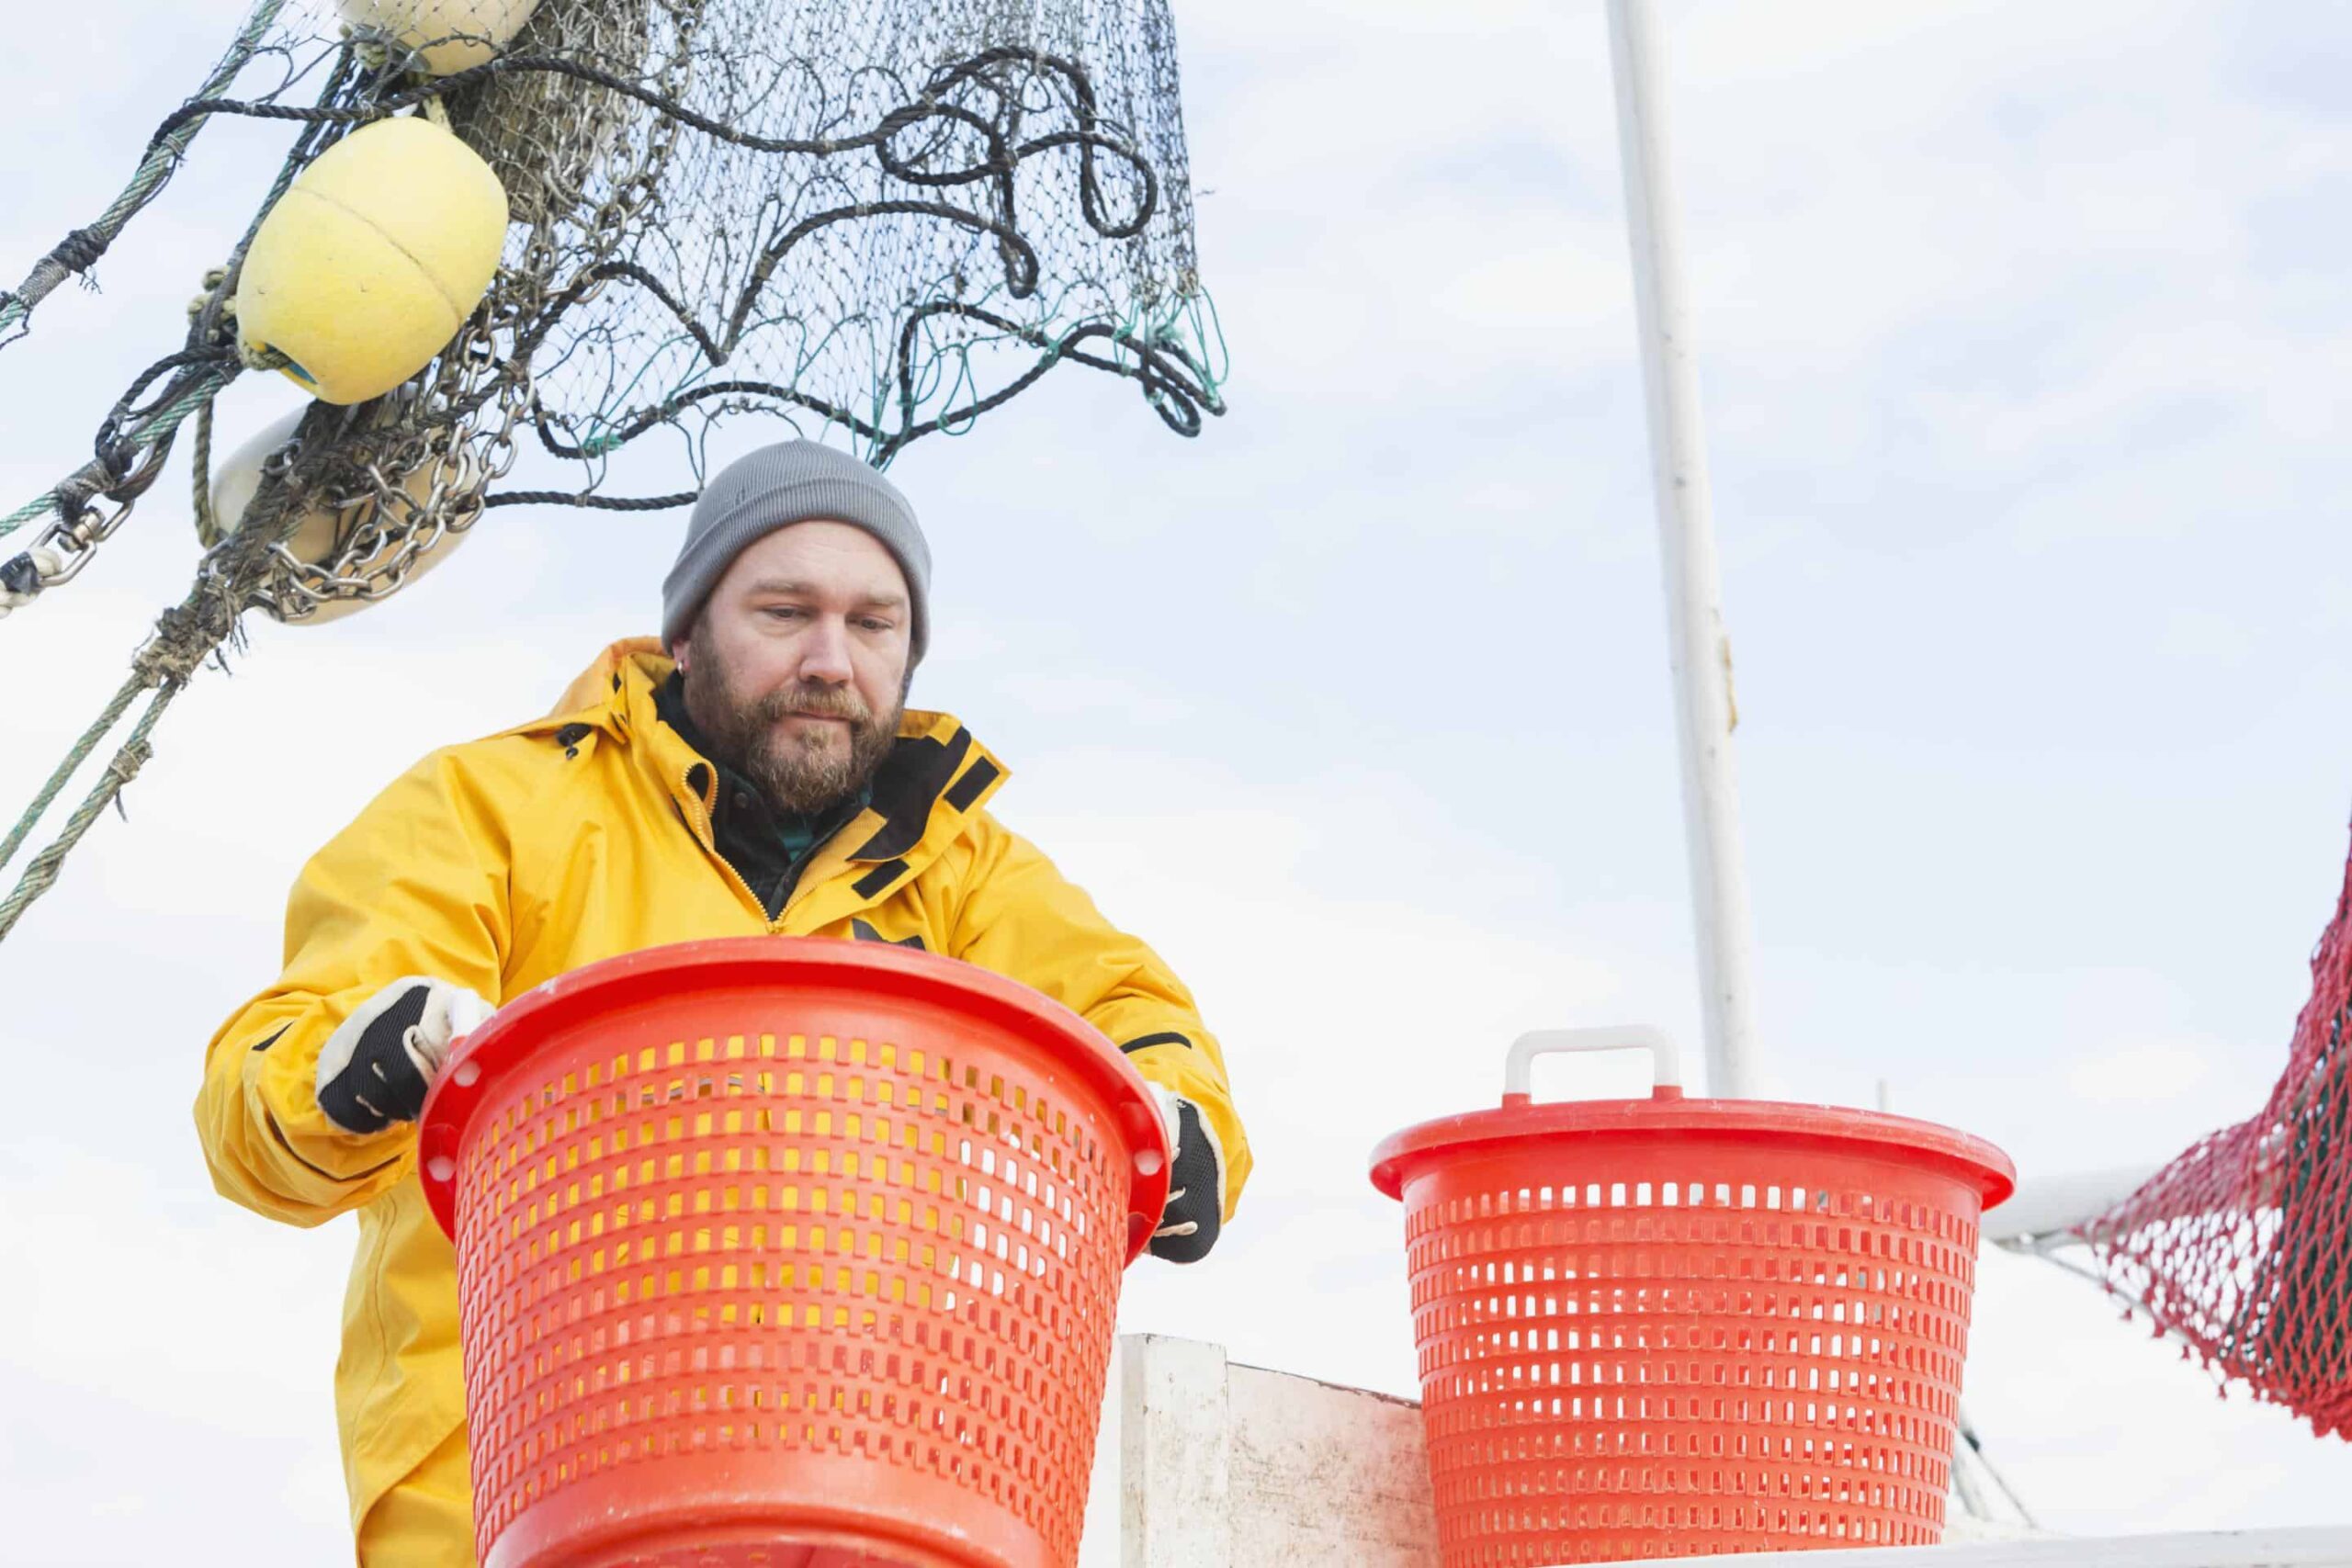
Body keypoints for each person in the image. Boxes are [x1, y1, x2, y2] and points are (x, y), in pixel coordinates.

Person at [194, 439, 1250, 1564]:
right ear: (687, 631)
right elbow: (265, 1104)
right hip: (517, 1510)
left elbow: (1129, 1008)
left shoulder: (964, 872)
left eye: (873, 623)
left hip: (847, 1508)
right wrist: (343, 1068)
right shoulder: (490, 810)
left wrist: (1181, 1121)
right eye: (785, 612)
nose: (831, 661)